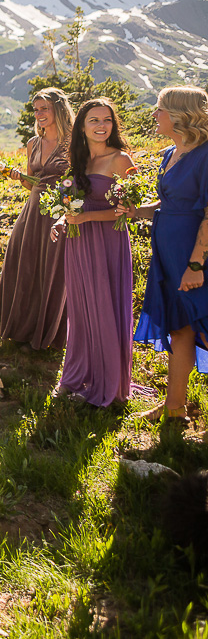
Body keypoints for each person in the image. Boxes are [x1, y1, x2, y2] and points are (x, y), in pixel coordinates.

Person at [127, 87, 208, 422]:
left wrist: (196, 264)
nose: (154, 115)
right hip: (168, 255)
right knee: (180, 329)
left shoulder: (206, 155)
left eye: (158, 109)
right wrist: (137, 211)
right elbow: (170, 204)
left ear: (178, 114)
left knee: (204, 325)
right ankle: (174, 408)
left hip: (194, 255)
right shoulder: (170, 153)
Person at [53, 98, 134, 407]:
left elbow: (127, 211)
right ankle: (76, 374)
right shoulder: (80, 159)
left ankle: (109, 381)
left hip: (108, 241)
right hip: (78, 243)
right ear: (82, 128)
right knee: (82, 308)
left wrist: (84, 218)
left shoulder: (121, 159)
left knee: (104, 304)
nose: (102, 126)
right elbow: (72, 203)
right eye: (94, 121)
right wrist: (62, 219)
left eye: (107, 120)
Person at [0, 88, 73, 349]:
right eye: (36, 110)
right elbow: (33, 184)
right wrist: (20, 178)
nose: (39, 114)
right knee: (23, 266)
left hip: (59, 212)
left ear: (58, 110)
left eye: (44, 109)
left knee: (50, 270)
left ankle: (47, 334)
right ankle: (21, 330)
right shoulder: (32, 144)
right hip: (32, 212)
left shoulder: (73, 143)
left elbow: (77, 180)